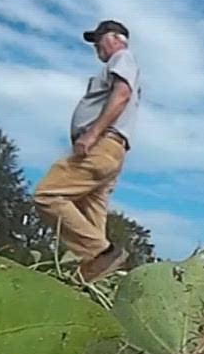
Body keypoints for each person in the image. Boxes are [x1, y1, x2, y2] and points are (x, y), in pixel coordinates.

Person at [33, 19, 140, 282]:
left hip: (101, 144)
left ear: (115, 38)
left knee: (48, 195)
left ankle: (101, 252)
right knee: (92, 220)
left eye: (98, 40)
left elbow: (122, 93)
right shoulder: (121, 62)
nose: (96, 48)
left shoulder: (123, 57)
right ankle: (96, 282)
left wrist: (92, 133)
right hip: (111, 151)